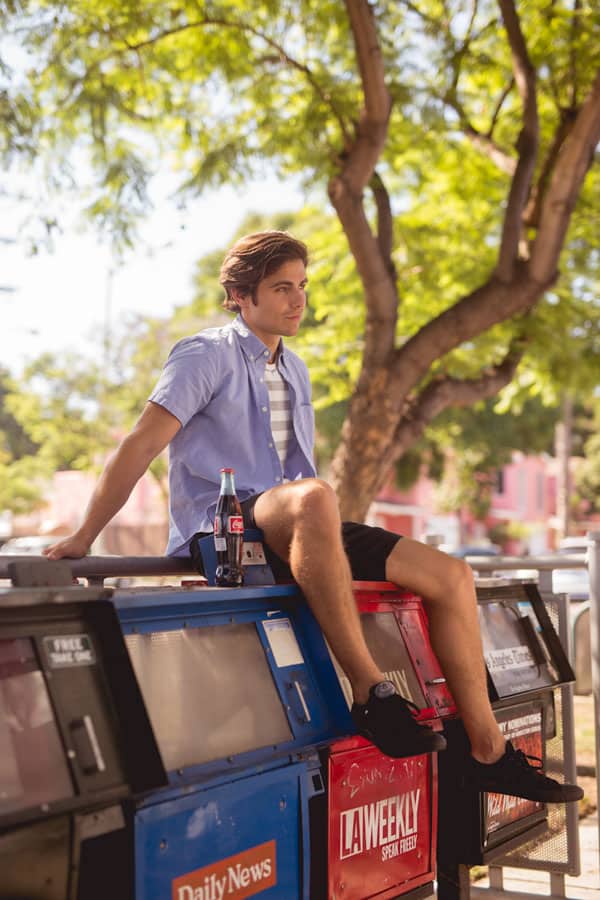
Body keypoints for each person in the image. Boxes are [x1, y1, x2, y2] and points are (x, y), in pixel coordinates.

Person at [45, 231, 581, 803]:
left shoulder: (294, 368)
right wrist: (84, 535)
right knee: (314, 495)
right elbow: (140, 444)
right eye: (281, 288)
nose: (298, 300)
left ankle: (487, 753)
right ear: (240, 296)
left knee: (452, 576)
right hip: (224, 529)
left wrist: (321, 530)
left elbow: (301, 486)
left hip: (298, 520)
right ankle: (372, 692)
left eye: (301, 286)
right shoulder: (204, 355)